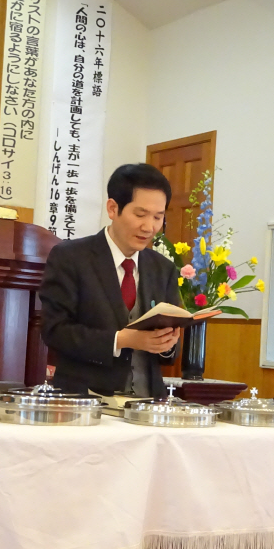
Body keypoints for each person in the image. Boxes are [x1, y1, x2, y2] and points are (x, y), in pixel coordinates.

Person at [39, 163, 182, 398]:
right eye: (140, 214)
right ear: (113, 208)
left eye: (158, 217)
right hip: (85, 399)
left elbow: (170, 355)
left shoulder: (163, 268)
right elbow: (54, 330)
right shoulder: (70, 257)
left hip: (147, 403)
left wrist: (166, 344)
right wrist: (120, 340)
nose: (149, 227)